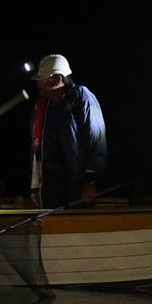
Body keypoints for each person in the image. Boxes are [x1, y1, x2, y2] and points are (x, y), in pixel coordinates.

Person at [29, 54, 107, 208]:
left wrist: (90, 181)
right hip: (50, 186)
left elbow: (97, 140)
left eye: (42, 78)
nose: (38, 82)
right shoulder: (42, 106)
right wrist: (35, 185)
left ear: (57, 79)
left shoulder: (82, 97)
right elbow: (37, 148)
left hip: (77, 185)